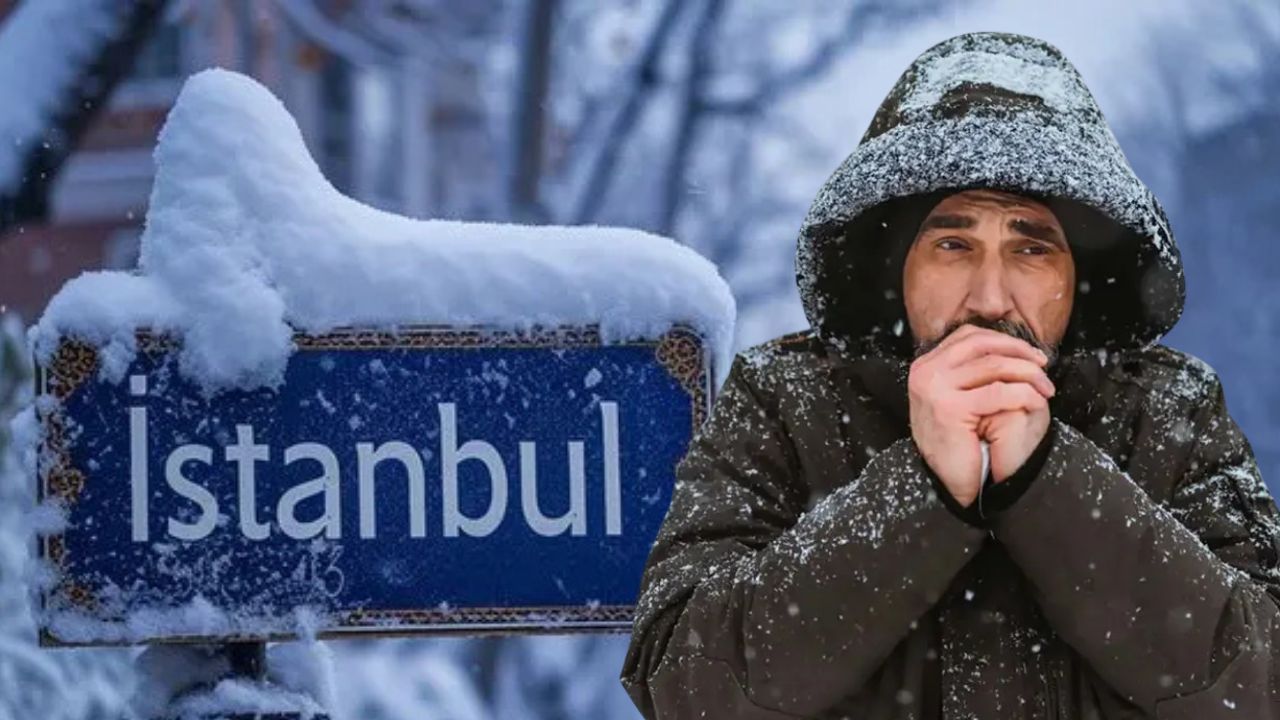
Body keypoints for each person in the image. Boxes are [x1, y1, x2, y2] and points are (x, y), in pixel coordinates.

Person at [619, 31, 1280, 719]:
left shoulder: (1170, 414)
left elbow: (1260, 684)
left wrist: (1047, 478)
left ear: (1078, 280)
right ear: (894, 267)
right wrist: (921, 489)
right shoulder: (785, 403)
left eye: (1031, 248)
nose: (991, 298)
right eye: (953, 245)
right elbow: (683, 685)